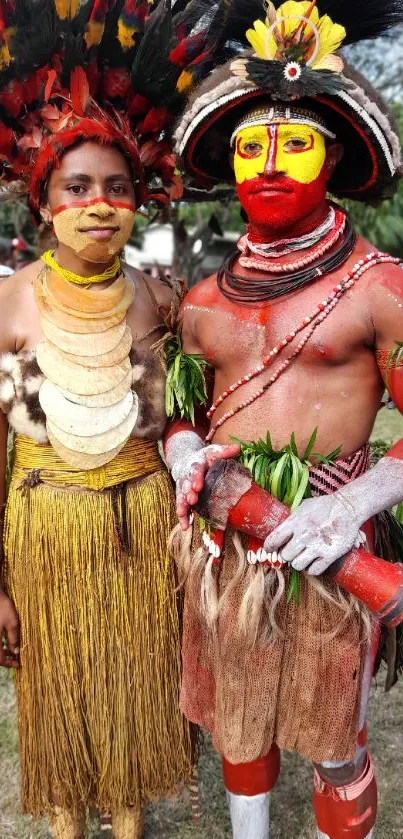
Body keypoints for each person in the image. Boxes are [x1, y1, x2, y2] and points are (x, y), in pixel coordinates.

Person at [164, 1, 403, 837]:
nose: (269, 162)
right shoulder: (199, 300)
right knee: (240, 716)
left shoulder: (379, 287)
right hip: (229, 546)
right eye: (249, 146)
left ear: (333, 157)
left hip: (331, 546)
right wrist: (186, 446)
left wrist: (349, 507)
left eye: (293, 142)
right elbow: (179, 414)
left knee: (333, 735)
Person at [0, 1, 213, 836]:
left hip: (140, 524)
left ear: (140, 200)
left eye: (117, 187)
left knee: (130, 689)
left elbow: (171, 427)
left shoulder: (156, 301)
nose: (99, 203)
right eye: (77, 187)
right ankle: (66, 825)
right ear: (42, 199)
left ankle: (126, 822)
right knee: (59, 698)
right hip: (44, 526)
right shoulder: (12, 306)